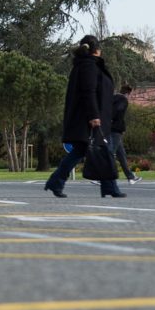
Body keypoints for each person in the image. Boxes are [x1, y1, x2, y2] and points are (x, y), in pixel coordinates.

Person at [44, 35, 126, 199]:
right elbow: (88, 93)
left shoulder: (85, 65)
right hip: (90, 120)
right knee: (98, 151)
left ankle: (58, 182)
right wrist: (94, 116)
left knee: (96, 151)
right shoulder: (89, 66)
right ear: (97, 50)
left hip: (91, 118)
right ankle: (109, 187)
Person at [111, 85, 141, 184]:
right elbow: (118, 111)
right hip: (116, 129)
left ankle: (130, 177)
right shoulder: (123, 100)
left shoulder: (113, 98)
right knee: (110, 153)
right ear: (128, 93)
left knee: (121, 154)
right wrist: (117, 122)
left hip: (110, 128)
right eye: (130, 95)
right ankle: (100, 177)